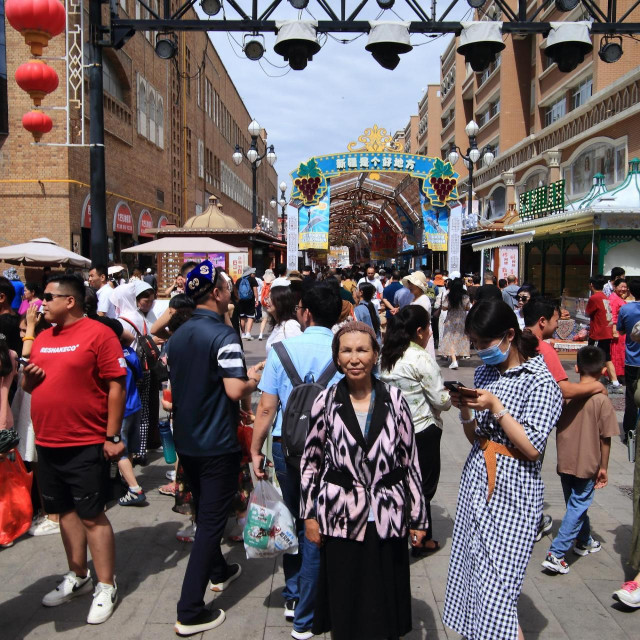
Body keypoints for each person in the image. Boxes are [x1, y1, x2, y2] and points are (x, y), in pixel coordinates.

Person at [443, 299, 563, 640]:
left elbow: (531, 447)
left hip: (513, 492)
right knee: (476, 581)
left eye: (484, 344)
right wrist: (465, 409)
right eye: (476, 345)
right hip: (476, 481)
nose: (481, 352)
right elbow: (476, 437)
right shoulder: (485, 372)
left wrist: (495, 405)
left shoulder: (540, 381)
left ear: (509, 335)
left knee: (498, 591)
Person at [300, 322, 428, 640]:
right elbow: (311, 461)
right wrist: (310, 515)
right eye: (346, 350)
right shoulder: (326, 401)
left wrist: (420, 518)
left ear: (375, 356)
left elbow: (410, 460)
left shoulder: (395, 400)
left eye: (362, 350)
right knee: (346, 597)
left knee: (385, 598)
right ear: (337, 357)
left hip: (388, 514)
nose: (354, 358)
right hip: (341, 514)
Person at [22, 274, 127, 624]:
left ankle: (106, 585)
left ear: (70, 301)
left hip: (85, 441)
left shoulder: (99, 334)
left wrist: (112, 437)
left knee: (91, 515)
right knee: (63, 512)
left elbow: (116, 385)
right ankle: (78, 575)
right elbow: (28, 383)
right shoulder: (43, 338)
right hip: (48, 441)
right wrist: (29, 381)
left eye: (48, 297)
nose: (41, 302)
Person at [167, 260, 263, 636]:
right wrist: (254, 377)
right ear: (218, 293)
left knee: (205, 511)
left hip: (188, 440)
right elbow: (234, 390)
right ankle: (190, 609)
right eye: (226, 286)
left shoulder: (179, 334)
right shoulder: (223, 337)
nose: (229, 292)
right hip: (216, 442)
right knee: (210, 524)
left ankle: (220, 570)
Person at [251, 283, 342, 640]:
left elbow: (266, 407)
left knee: (291, 518)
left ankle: (293, 597)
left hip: (285, 447)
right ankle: (315, 596)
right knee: (319, 523)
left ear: (305, 312)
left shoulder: (281, 349)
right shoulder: (347, 351)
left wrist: (255, 450)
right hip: (332, 451)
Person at [541, 346, 618, 574]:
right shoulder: (601, 400)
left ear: (576, 368)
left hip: (565, 461)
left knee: (574, 504)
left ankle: (584, 540)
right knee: (578, 505)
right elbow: (606, 438)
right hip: (589, 463)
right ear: (604, 371)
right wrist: (603, 467)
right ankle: (557, 552)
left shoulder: (567, 398)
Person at [380, 305, 450, 554]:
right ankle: (419, 538)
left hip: (390, 431)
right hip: (422, 430)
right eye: (429, 328)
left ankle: (408, 534)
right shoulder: (420, 358)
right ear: (420, 331)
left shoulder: (385, 355)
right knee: (422, 487)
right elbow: (442, 401)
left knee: (397, 483)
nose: (431, 332)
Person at [113, 281, 161, 462]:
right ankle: (140, 450)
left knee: (127, 411)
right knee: (143, 410)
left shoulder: (121, 320)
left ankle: (126, 452)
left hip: (129, 369)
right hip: (145, 368)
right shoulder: (140, 316)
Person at [586, 275, 623, 394]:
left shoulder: (594, 298)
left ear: (591, 285)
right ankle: (615, 382)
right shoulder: (605, 297)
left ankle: (592, 381)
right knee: (607, 357)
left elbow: (588, 312)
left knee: (593, 356)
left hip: (598, 333)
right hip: (606, 331)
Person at [616, 279, 640, 442]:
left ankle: (629, 432)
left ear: (630, 291)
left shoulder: (626, 309)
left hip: (632, 359)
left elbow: (621, 330)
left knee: (631, 397)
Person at [438, 278, 471, 370]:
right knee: (460, 339)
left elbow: (444, 307)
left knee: (450, 340)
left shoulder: (449, 296)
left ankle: (454, 360)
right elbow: (467, 307)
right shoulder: (465, 296)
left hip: (451, 320)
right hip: (462, 319)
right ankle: (455, 360)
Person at [265, 285, 302, 354]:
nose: (267, 301)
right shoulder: (278, 324)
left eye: (271, 298)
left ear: (281, 302)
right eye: (267, 298)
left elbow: (298, 352)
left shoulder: (290, 325)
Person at [609, 278, 629, 381]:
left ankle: (618, 375)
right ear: (615, 287)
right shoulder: (614, 299)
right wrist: (614, 330)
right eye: (621, 286)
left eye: (625, 287)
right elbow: (612, 316)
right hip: (617, 330)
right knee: (617, 353)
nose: (623, 289)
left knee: (620, 353)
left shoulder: (617, 297)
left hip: (621, 330)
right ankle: (617, 376)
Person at [236, 266, 259, 340]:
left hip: (240, 301)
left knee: (242, 317)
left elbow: (236, 291)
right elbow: (255, 290)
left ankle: (243, 333)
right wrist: (257, 300)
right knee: (250, 317)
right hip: (250, 301)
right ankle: (248, 333)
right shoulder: (252, 279)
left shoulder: (239, 280)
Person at [258, 269, 275, 341]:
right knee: (274, 319)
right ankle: (274, 334)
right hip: (272, 302)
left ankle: (261, 334)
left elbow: (259, 292)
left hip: (264, 303)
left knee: (264, 319)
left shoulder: (262, 283)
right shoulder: (274, 282)